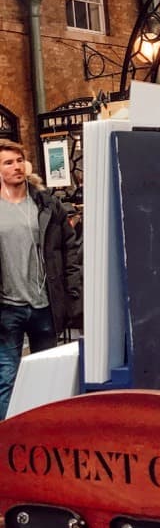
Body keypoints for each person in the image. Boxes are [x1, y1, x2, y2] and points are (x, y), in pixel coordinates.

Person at [0, 139, 82, 419]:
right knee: (7, 377)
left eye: (19, 160)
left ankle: (47, 433)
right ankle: (8, 439)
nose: (16, 167)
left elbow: (69, 248)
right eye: (8, 162)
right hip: (7, 307)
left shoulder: (47, 205)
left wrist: (72, 292)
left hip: (44, 304)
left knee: (48, 374)